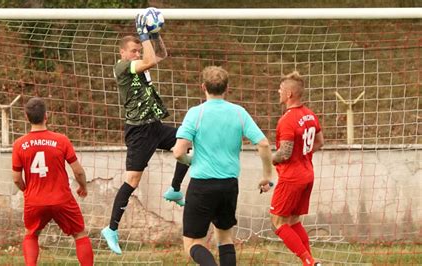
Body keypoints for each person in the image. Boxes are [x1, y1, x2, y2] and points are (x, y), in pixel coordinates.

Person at [100, 12, 189, 255]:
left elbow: (160, 55)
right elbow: (150, 60)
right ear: (123, 53)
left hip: (155, 126)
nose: (137, 54)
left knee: (189, 139)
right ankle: (111, 229)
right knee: (133, 180)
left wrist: (154, 35)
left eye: (138, 50)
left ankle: (174, 188)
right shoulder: (121, 67)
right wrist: (143, 35)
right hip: (138, 131)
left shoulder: (140, 63)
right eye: (133, 51)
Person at [173, 66, 274, 266]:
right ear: (227, 88)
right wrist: (267, 176)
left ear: (203, 87)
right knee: (225, 237)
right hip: (229, 185)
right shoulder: (239, 112)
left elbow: (178, 152)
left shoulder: (196, 113)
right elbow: (263, 143)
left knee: (193, 243)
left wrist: (189, 160)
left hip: (202, 185)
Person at [11, 97, 94, 266]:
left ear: (27, 117)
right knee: (80, 234)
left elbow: (16, 178)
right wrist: (83, 186)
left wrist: (28, 191)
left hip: (34, 201)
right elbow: (77, 171)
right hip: (61, 199)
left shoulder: (19, 144)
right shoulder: (61, 140)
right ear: (46, 116)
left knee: (31, 234)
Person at [269, 71, 324, 266]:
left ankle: (308, 261)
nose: (279, 91)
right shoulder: (310, 115)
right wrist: (303, 155)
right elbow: (319, 142)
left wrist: (269, 159)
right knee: (293, 221)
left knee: (278, 221)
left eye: (281, 89)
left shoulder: (287, 119)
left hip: (291, 177)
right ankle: (311, 262)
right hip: (307, 174)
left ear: (290, 94)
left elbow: (284, 153)